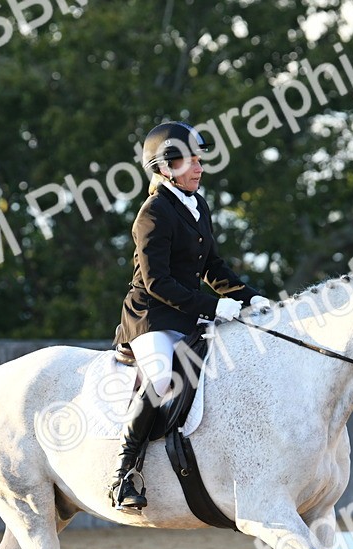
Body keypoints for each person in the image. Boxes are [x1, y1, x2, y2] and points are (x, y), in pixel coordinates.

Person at [109, 121, 271, 512]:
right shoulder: (153, 214)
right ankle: (124, 473)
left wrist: (252, 299)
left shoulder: (197, 206)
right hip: (151, 316)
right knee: (162, 377)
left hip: (186, 316)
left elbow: (214, 269)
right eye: (189, 161)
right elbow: (157, 282)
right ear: (165, 168)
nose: (199, 168)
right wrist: (214, 307)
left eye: (199, 160)